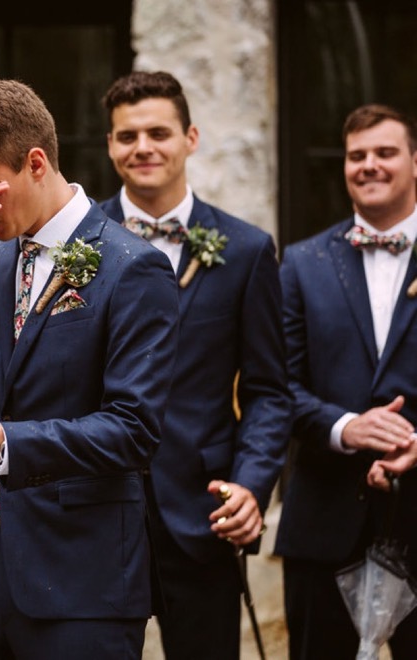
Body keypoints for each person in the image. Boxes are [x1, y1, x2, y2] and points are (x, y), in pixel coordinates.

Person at [0, 78, 180, 659]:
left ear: (35, 163)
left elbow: (134, 429)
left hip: (83, 578)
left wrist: (1, 442)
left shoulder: (132, 268)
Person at [97, 70, 291, 659]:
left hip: (202, 516)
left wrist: (253, 486)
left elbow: (268, 391)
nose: (143, 148)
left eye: (159, 132)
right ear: (110, 146)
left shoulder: (247, 250)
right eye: (127, 136)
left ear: (191, 138)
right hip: (94, 514)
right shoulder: (78, 243)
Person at [274, 103, 417, 659]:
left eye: (384, 152)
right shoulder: (302, 262)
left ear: (413, 161)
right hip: (324, 521)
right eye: (357, 156)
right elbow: (274, 387)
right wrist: (347, 427)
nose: (369, 165)